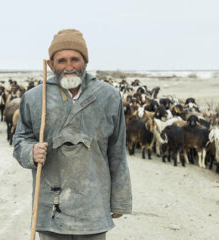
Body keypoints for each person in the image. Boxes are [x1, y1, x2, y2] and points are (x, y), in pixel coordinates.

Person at [13, 29, 132, 240]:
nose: (69, 67)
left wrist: (119, 201)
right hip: (50, 205)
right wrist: (30, 152)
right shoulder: (33, 98)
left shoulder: (108, 97)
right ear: (51, 65)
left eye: (75, 59)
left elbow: (117, 151)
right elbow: (20, 140)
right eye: (61, 61)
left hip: (93, 205)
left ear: (85, 61)